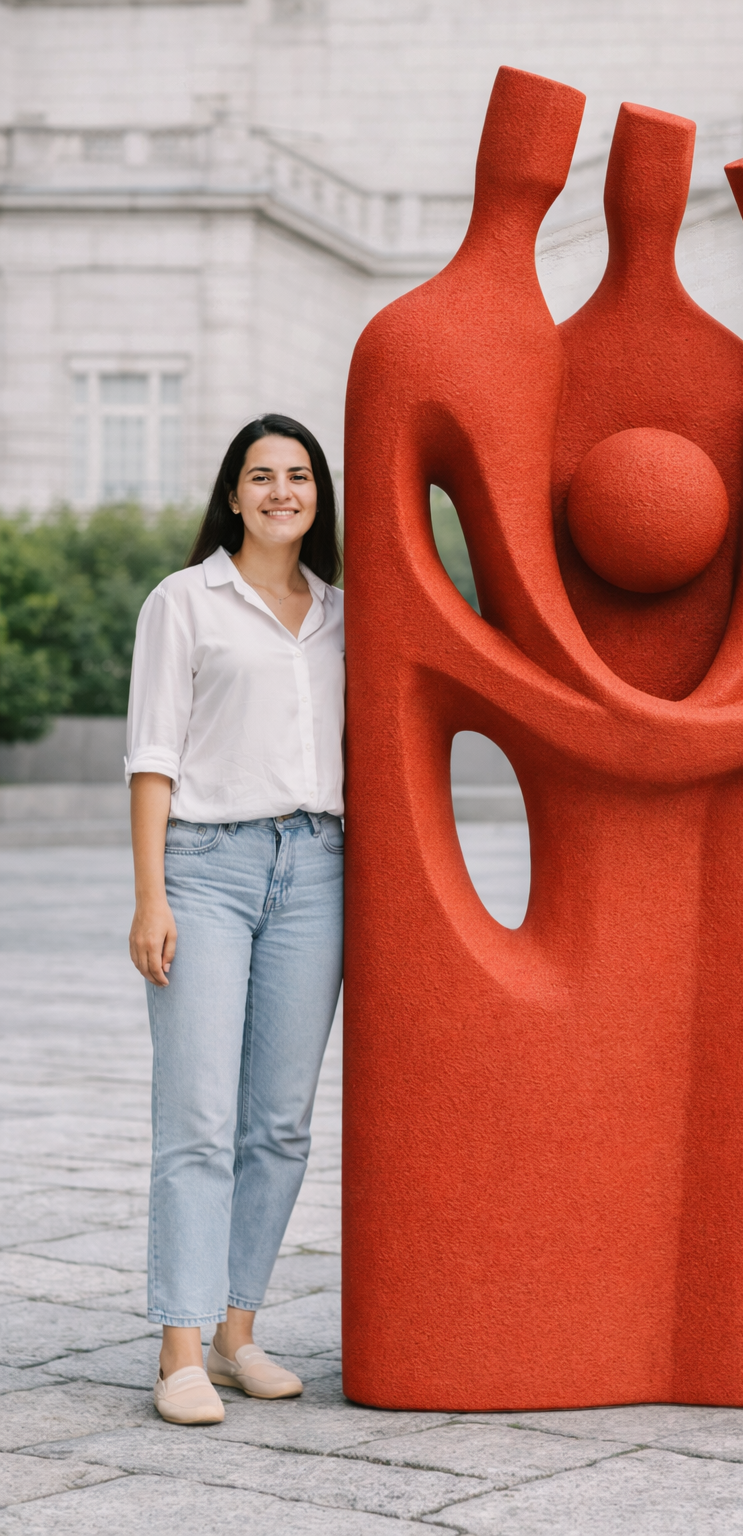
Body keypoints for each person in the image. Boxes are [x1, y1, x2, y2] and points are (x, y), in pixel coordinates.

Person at [126, 415, 345, 1425]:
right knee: (200, 1119)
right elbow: (152, 757)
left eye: (297, 476)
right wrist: (150, 895)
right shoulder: (185, 602)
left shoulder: (343, 614)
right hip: (207, 868)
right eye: (261, 476)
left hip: (316, 870)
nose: (280, 491)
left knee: (280, 1124)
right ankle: (177, 1345)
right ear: (231, 495)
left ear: (317, 496)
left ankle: (236, 1331)